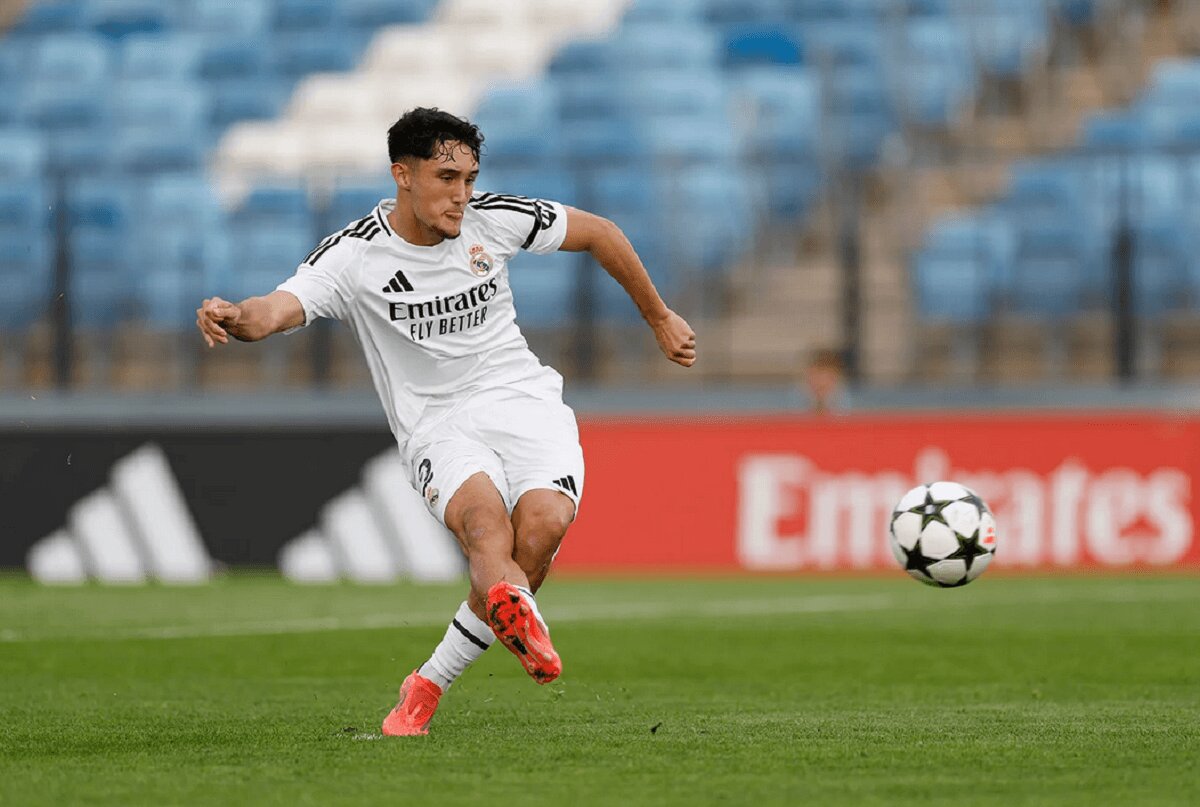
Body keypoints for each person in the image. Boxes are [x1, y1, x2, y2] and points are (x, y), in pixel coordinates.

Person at [195, 108, 696, 736]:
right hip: (438, 425)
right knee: (488, 533)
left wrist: (658, 317)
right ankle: (493, 633)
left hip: (523, 400)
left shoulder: (493, 219)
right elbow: (277, 309)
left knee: (538, 535)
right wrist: (235, 315)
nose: (461, 193)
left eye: (469, 177)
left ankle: (428, 681)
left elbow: (600, 232)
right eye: (445, 176)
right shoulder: (356, 257)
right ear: (402, 175)